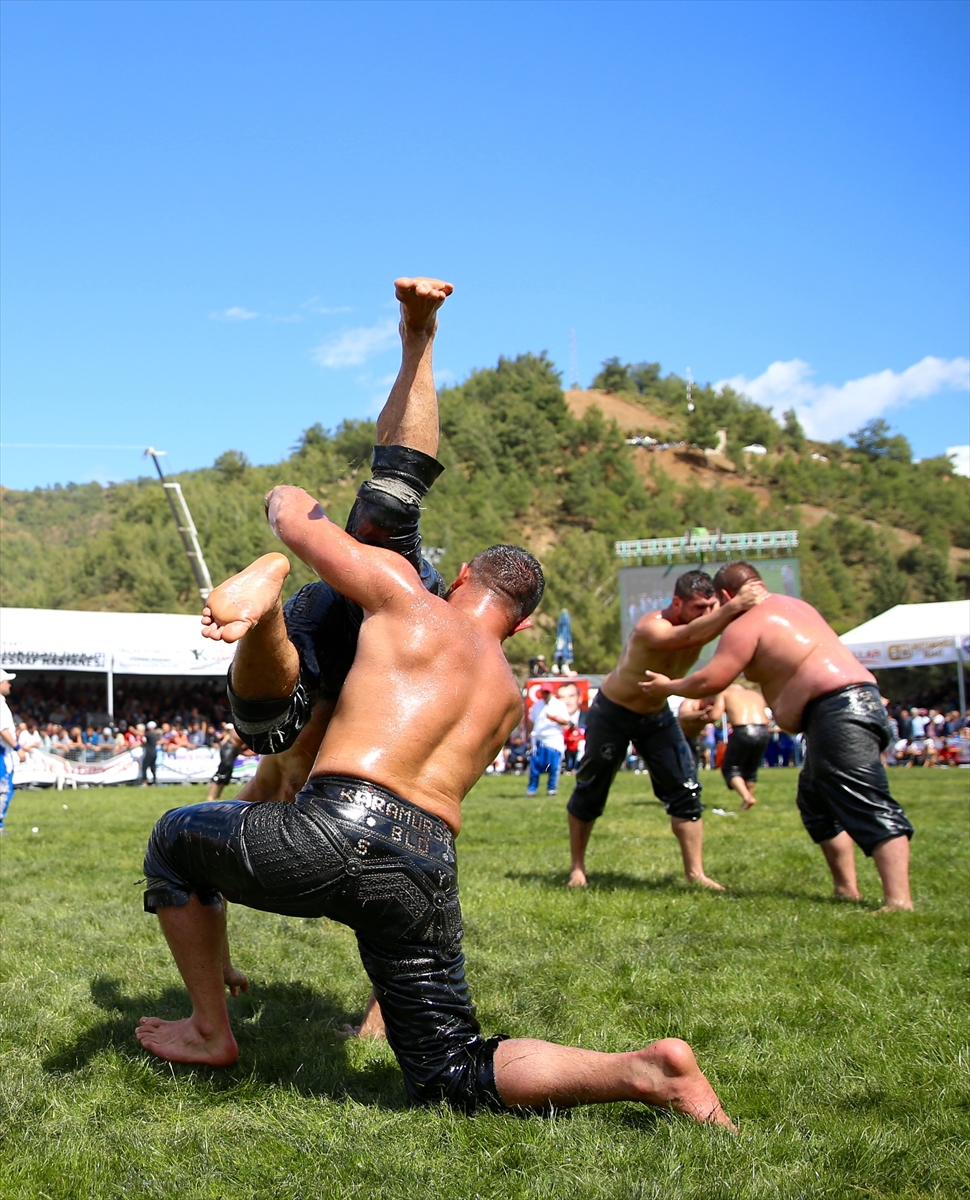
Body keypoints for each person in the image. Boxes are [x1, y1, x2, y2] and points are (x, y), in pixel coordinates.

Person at [136, 494, 733, 1129]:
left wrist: (281, 510)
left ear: (463, 576)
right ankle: (640, 1070)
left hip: (332, 824)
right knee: (450, 1066)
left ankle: (208, 1030)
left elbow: (294, 519)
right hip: (424, 867)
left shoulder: (407, 600)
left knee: (174, 841)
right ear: (523, 625)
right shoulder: (508, 695)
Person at [639, 562, 914, 912]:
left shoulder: (748, 621)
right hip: (845, 708)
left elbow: (713, 680)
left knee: (865, 798)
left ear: (727, 596)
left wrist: (670, 686)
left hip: (840, 709)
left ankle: (899, 902)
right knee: (816, 804)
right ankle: (846, 890)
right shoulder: (798, 607)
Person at [565, 569, 767, 890]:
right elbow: (683, 639)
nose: (707, 614)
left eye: (711, 606)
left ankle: (695, 873)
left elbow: (719, 632)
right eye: (699, 608)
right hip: (613, 712)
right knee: (591, 789)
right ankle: (577, 868)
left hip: (656, 713)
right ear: (677, 603)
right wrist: (730, 608)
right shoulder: (652, 627)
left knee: (686, 790)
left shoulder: (710, 620)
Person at [711, 684, 771, 810]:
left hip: (743, 730)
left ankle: (747, 797)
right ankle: (746, 805)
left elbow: (714, 716)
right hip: (763, 731)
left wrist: (703, 716)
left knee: (730, 768)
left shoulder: (725, 693)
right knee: (751, 769)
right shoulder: (756, 694)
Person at [526, 687, 569, 796]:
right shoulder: (537, 705)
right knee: (535, 766)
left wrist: (553, 718)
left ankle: (551, 789)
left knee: (553, 766)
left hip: (553, 739)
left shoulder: (559, 705)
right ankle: (532, 789)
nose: (545, 694)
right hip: (539, 739)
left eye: (547, 692)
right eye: (543, 692)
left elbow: (566, 721)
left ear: (551, 692)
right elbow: (531, 720)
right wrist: (529, 733)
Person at [0, 670, 27, 833]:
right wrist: (18, 748)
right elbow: (2, 730)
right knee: (3, 788)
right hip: (2, 751)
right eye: (6, 681)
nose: (9, 684)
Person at [206, 725, 246, 802]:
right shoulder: (235, 730)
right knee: (221, 772)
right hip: (229, 748)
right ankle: (210, 796)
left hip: (234, 750)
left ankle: (218, 796)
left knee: (227, 774)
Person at [140, 722, 159, 787]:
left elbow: (141, 734)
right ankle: (154, 781)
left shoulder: (149, 734)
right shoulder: (155, 735)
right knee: (152, 767)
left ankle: (144, 782)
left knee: (144, 767)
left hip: (149, 753)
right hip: (154, 753)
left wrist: (132, 729)